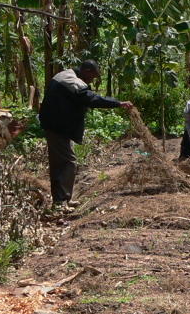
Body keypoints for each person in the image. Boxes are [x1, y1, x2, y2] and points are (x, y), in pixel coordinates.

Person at [38, 60, 133, 209]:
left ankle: (62, 200)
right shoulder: (72, 81)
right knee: (68, 162)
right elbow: (91, 99)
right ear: (87, 71)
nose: (92, 80)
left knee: (61, 162)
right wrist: (118, 103)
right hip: (57, 127)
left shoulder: (65, 75)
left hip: (57, 125)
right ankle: (61, 201)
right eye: (92, 77)